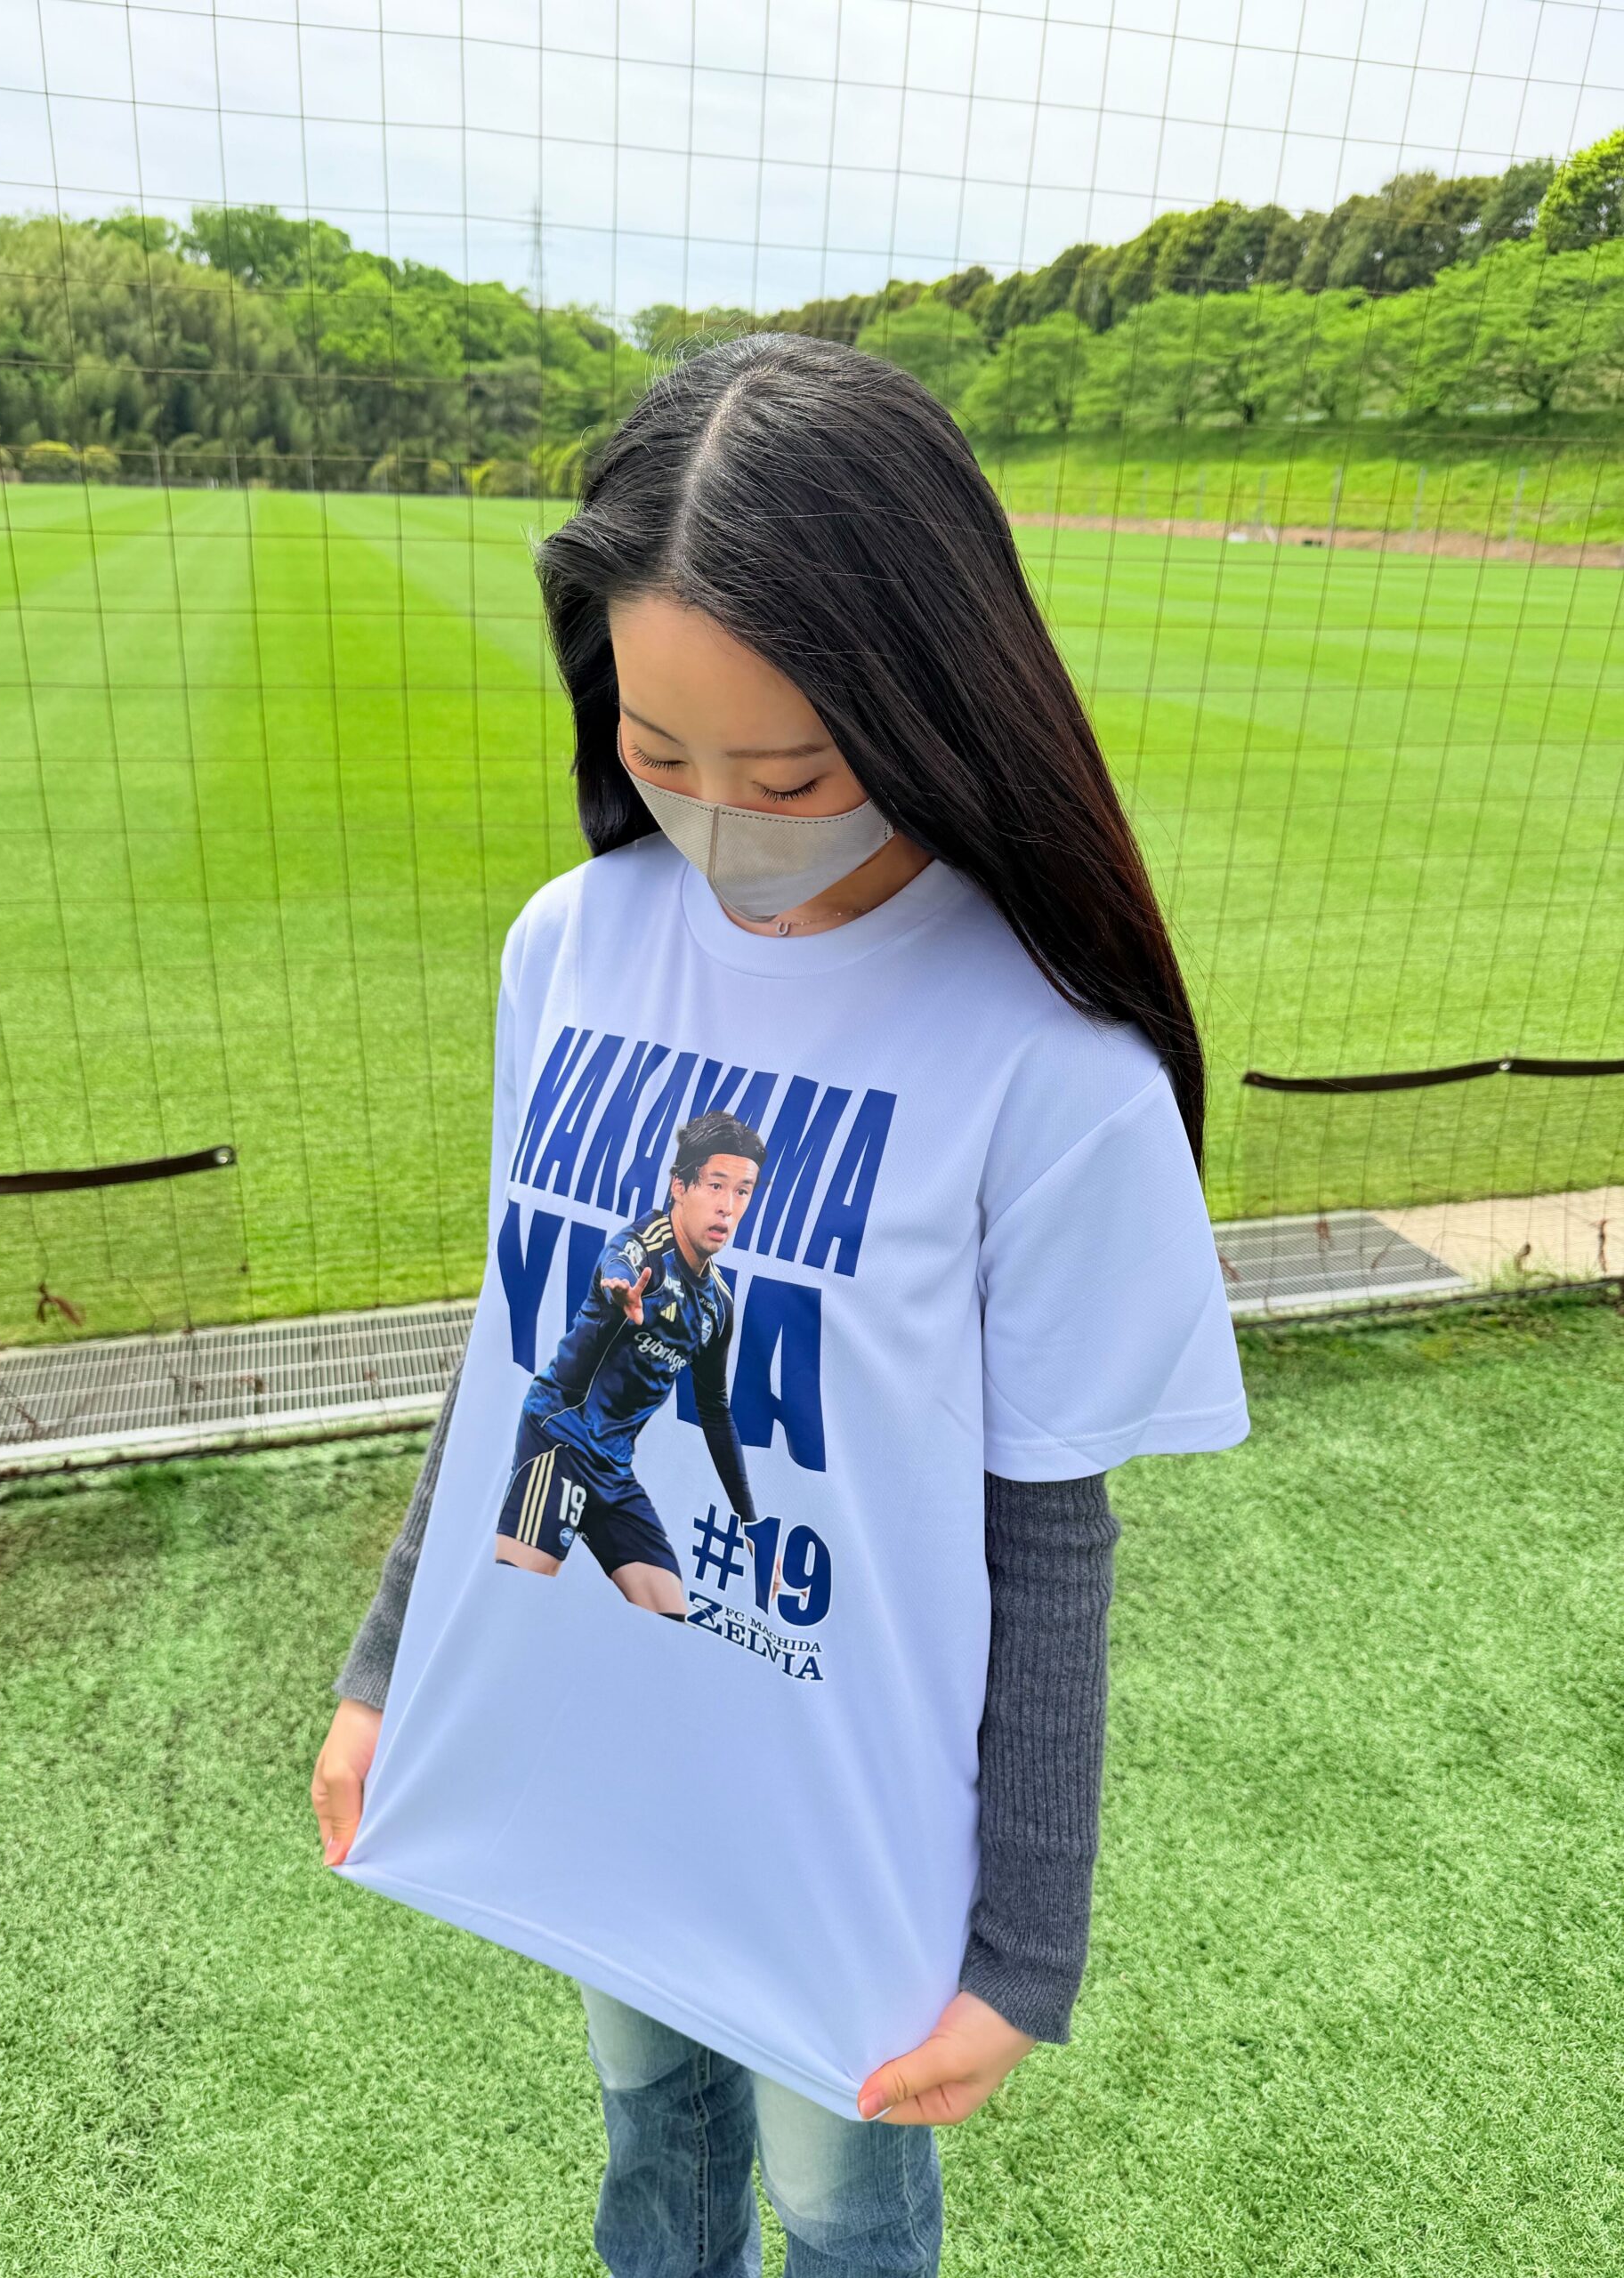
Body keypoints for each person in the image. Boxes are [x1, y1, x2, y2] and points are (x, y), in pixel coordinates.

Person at [311, 331, 1249, 2278]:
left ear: (927, 701)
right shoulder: (570, 946)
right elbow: (516, 1350)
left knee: (839, 2206)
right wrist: (386, 1668)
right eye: (663, 758)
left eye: (792, 771)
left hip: (843, 1825)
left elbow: (1048, 1528)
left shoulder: (1048, 1064)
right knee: (650, 2129)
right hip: (600, 1756)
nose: (725, 824)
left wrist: (1025, 1949)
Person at [495, 1109, 766, 1617]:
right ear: (679, 1186)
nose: (727, 1207)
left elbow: (715, 1411)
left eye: (743, 1191)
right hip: (561, 1440)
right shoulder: (645, 1250)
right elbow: (619, 1261)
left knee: (670, 1616)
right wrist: (618, 1288)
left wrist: (748, 1521)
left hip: (613, 1469)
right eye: (715, 1185)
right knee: (514, 1605)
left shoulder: (717, 1306)